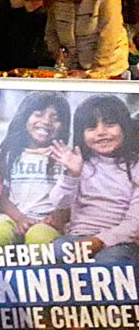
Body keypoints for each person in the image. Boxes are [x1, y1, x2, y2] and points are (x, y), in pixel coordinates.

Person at [48, 95, 139, 264]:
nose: (101, 132)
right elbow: (59, 203)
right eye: (91, 127)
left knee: (110, 261)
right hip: (77, 238)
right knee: (56, 252)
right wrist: (71, 175)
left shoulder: (135, 167)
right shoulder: (78, 162)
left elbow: (134, 223)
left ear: (125, 127)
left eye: (110, 124)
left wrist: (99, 241)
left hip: (119, 242)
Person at [0, 92, 70, 247]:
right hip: (12, 217)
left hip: (48, 223)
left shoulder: (67, 156)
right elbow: (0, 196)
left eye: (56, 118)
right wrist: (20, 219)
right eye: (38, 114)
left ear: (64, 125)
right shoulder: (8, 153)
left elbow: (74, 199)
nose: (46, 121)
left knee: (39, 237)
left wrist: (57, 217)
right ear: (24, 118)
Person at [45, 0, 129, 78]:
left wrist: (94, 71)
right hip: (71, 68)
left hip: (107, 69)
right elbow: (51, 31)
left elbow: (109, 35)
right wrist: (56, 51)